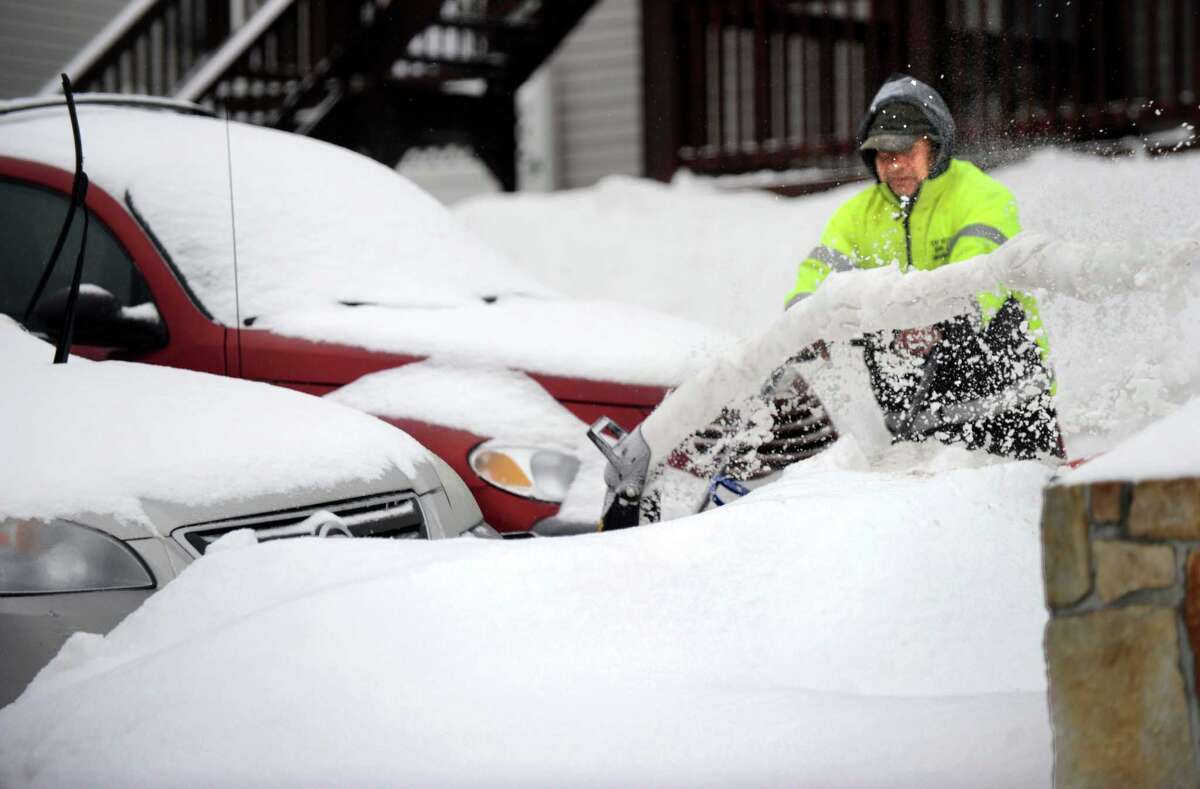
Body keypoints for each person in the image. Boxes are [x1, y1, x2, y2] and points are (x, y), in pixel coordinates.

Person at [784, 73, 1062, 459]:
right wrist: (803, 316)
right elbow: (821, 272)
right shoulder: (857, 216)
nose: (896, 165)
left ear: (935, 147)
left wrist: (935, 318)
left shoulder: (981, 196)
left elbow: (980, 272)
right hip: (915, 426)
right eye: (884, 156)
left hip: (1008, 409)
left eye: (907, 151)